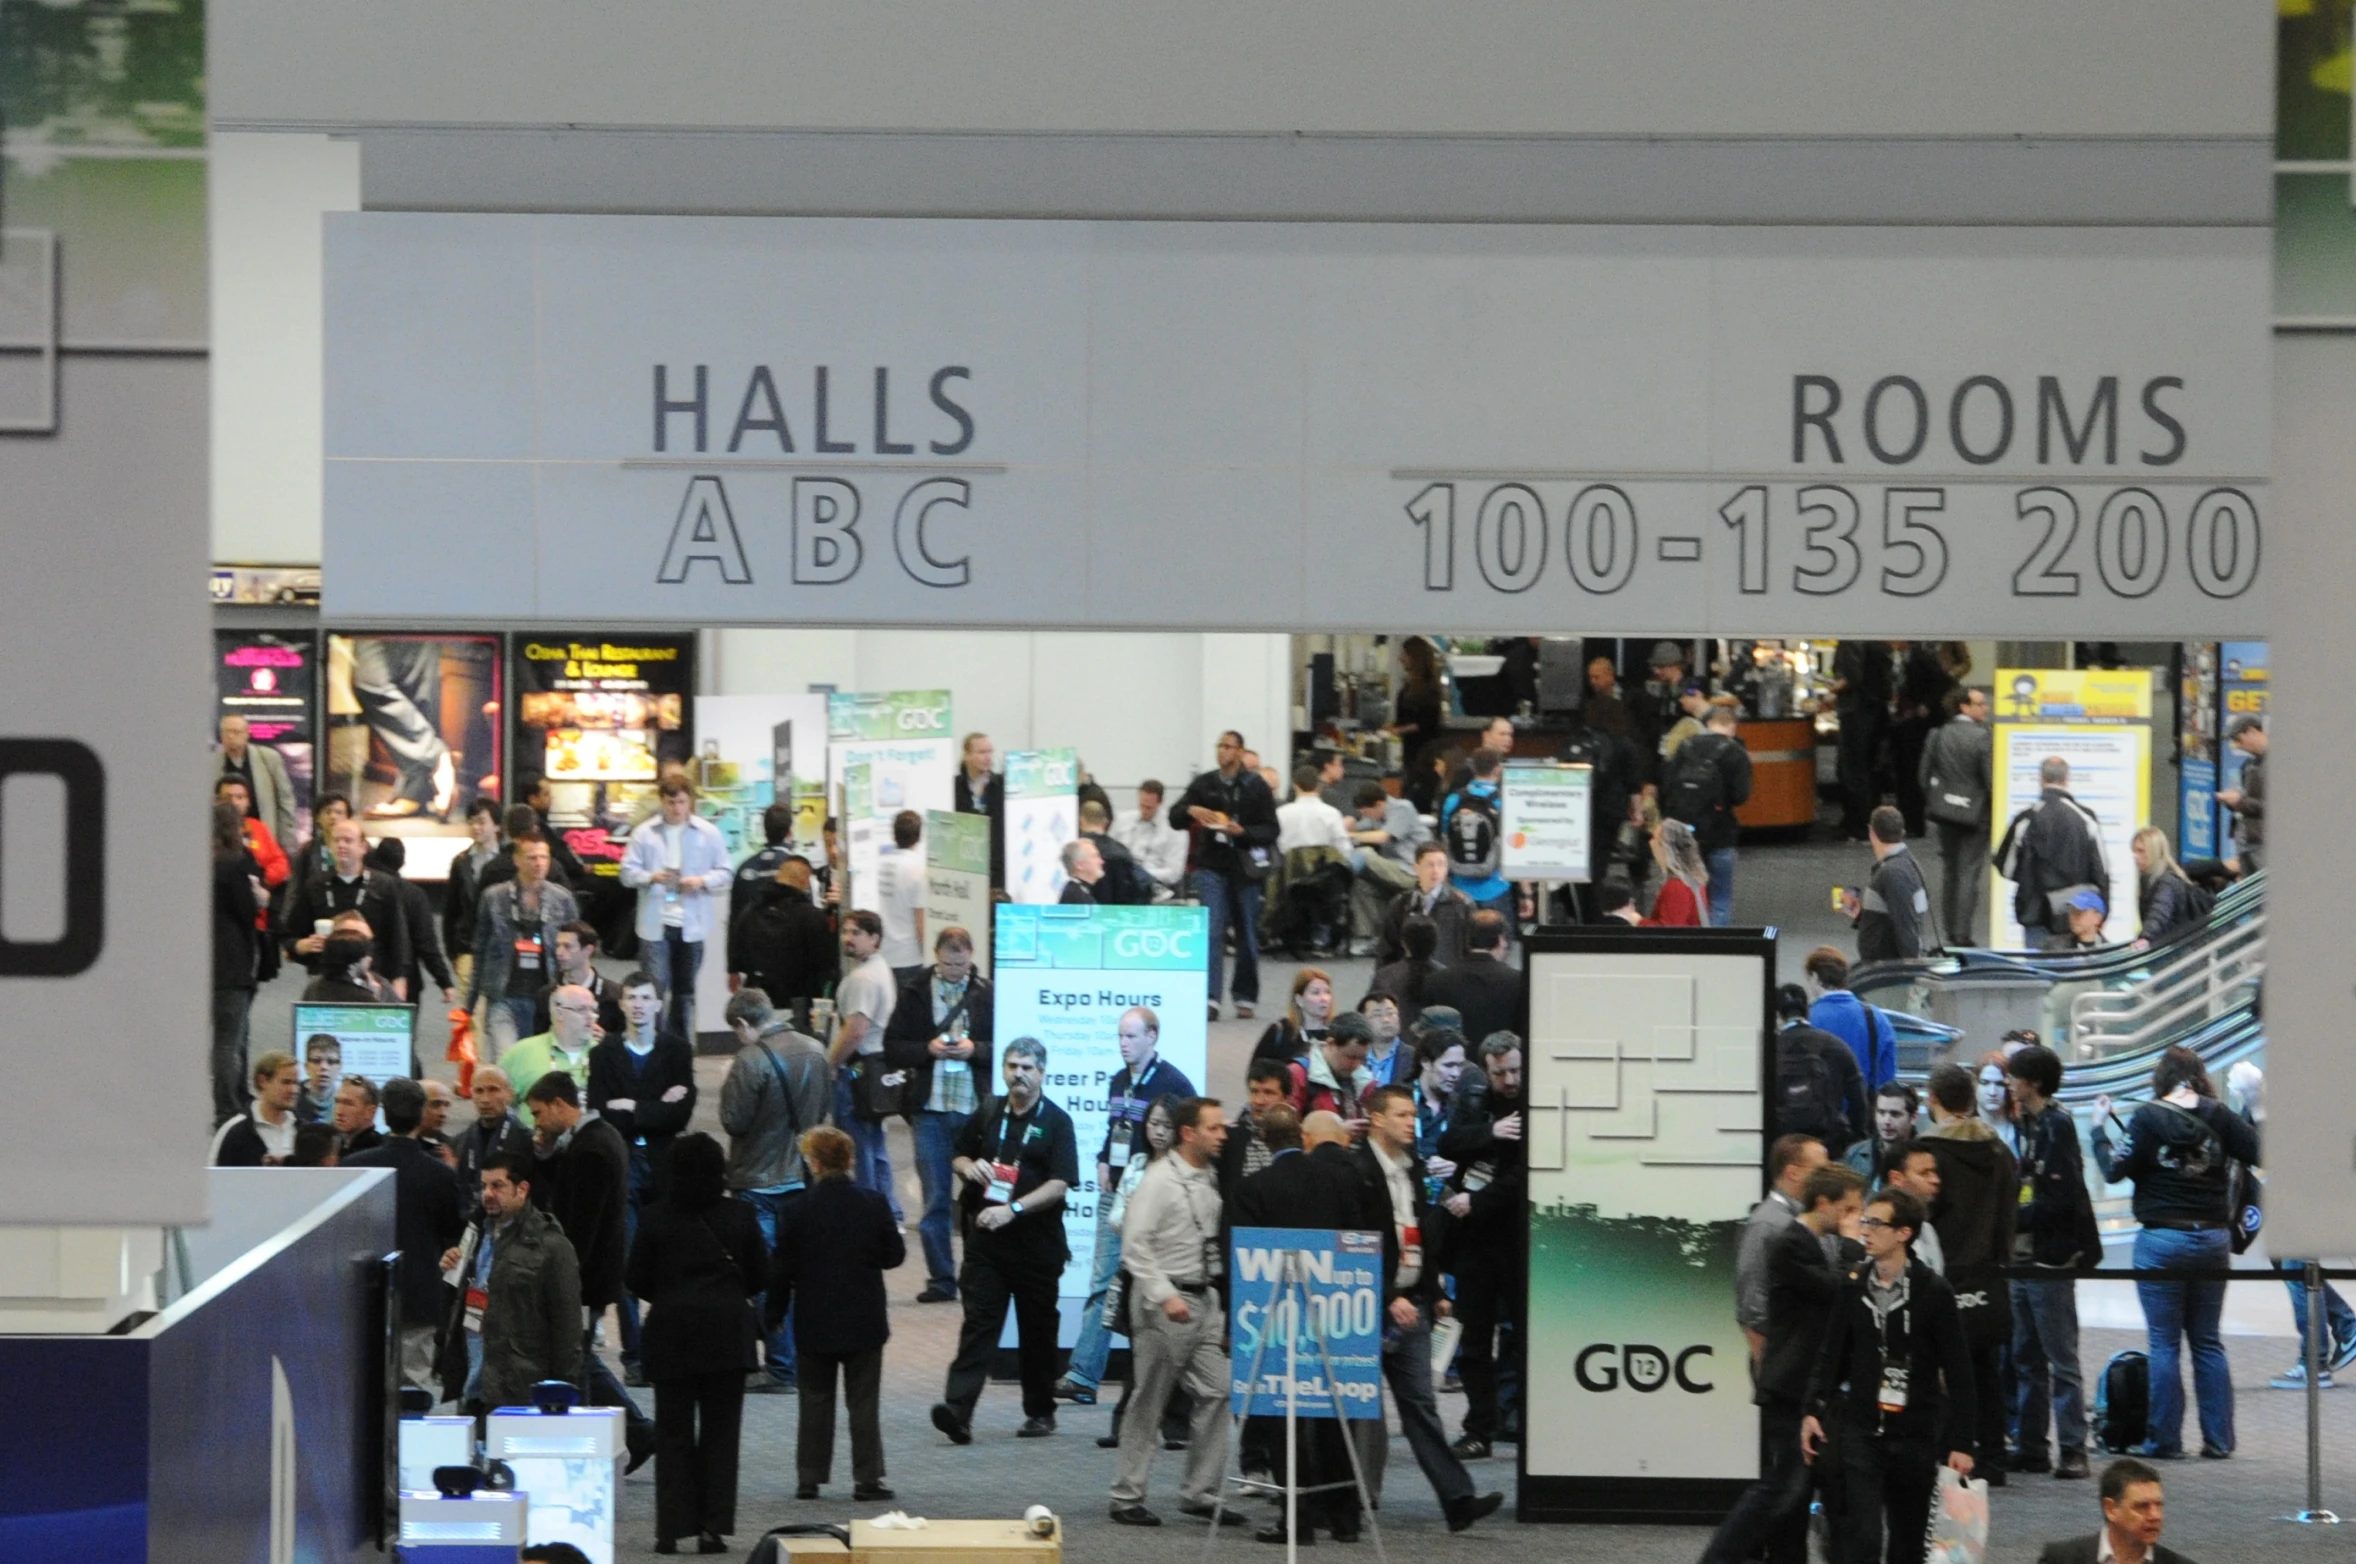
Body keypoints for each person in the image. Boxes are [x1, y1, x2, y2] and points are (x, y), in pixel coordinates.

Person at [1341, 1084, 1505, 1532]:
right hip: (1369, 1305)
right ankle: (1351, 1500)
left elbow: (1419, 1234)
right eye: (1400, 1115)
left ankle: (1458, 1500)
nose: (1410, 1122)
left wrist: (1434, 1289)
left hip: (1412, 1303)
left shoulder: (1411, 1169)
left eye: (1413, 1115)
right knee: (1360, 1408)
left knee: (1421, 1405)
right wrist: (1387, 1296)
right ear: (1376, 1119)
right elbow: (1354, 1243)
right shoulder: (1357, 1170)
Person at [2091, 1047, 2260, 1459]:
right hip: (2211, 1239)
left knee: (2164, 1343)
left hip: (2162, 1239)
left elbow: (2114, 1169)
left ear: (2162, 1077)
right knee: (2207, 1341)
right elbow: (2258, 1151)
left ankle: (2164, 1440)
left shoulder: (2148, 1117)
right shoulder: (2218, 1114)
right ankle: (2218, 1441)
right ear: (2197, 1075)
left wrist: (2098, 1128)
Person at [1801, 1186, 1977, 1564]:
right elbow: (1832, 1352)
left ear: (1904, 1233)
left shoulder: (1933, 1291)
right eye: (1865, 1221)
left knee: (1909, 1539)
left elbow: (1959, 1369)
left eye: (1876, 1224)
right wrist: (1813, 1408)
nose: (1865, 1230)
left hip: (1915, 1432)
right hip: (1861, 1429)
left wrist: (1961, 1441)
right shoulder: (1852, 1284)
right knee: (1861, 1537)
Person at [1701, 1163, 1866, 1564]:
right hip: (1791, 1385)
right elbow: (1842, 1293)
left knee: (1794, 1494)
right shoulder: (1789, 1242)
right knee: (1780, 1488)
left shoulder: (1809, 1242)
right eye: (1848, 1210)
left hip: (1808, 1385)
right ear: (1823, 1202)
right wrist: (1852, 1245)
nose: (1856, 1220)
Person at [1232, 1106, 1368, 1544]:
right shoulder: (1340, 1180)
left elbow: (1243, 1262)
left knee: (1282, 1418)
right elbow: (1358, 1240)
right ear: (1302, 1137)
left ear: (1262, 1141)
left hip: (1276, 1319)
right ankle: (1346, 1519)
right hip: (1336, 1315)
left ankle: (1297, 1521)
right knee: (1333, 1416)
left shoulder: (1254, 1188)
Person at [626, 1132, 767, 1553]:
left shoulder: (654, 1217)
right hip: (727, 1333)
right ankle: (712, 1528)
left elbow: (635, 1278)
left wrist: (672, 1295)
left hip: (671, 1333)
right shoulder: (740, 1215)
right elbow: (762, 1275)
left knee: (672, 1432)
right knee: (721, 1435)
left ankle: (669, 1529)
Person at [932, 1039, 1078, 1444]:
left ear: (1043, 1072)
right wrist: (969, 1166)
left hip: (1036, 1245)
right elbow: (958, 1155)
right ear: (1002, 1069)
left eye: (1029, 1067)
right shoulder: (989, 1111)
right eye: (1013, 1066)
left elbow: (1059, 1184)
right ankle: (958, 1411)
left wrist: (1012, 1210)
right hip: (987, 1244)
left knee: (1037, 1332)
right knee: (979, 1324)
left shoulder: (1057, 1122)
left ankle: (1040, 1411)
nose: (1020, 1074)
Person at [1107, 1097, 1241, 1529]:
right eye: (1215, 1128)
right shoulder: (1159, 1180)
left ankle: (1200, 1493)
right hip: (1163, 1307)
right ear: (1189, 1133)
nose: (1224, 1135)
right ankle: (1127, 1495)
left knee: (1220, 1390)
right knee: (1149, 1400)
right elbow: (1134, 1244)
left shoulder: (1210, 1177)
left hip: (1203, 1302)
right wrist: (1165, 1294)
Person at [1061, 1006, 1198, 1405]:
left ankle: (1169, 1388)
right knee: (1102, 1283)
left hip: (1154, 1201)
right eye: (1120, 1036)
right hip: (1116, 1196)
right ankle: (1083, 1374)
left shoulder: (1174, 1083)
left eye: (1132, 1036)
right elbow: (1115, 1130)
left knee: (1155, 1288)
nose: (1124, 1043)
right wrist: (1104, 1158)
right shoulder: (1119, 1080)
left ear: (1152, 1037)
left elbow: (1183, 1142)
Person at [522, 1070, 655, 1463]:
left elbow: (580, 1226)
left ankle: (622, 1434)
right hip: (595, 1274)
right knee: (579, 1356)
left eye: (538, 1112)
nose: (537, 1122)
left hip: (584, 1278)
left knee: (573, 1359)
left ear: (561, 1105)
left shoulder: (590, 1150)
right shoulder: (601, 1137)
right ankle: (638, 1430)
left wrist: (562, 1279)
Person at [771, 1125, 906, 1504]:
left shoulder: (795, 1210)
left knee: (814, 1398)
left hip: (814, 1318)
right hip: (864, 1318)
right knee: (863, 1402)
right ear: (849, 1160)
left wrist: (774, 1313)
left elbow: (782, 1269)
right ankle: (867, 1479)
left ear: (813, 1164)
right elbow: (894, 1256)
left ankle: (809, 1478)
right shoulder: (873, 1202)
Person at [718, 986, 832, 1395]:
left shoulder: (749, 1061)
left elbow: (734, 1120)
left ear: (744, 1023)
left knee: (766, 1277)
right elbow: (821, 1111)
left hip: (758, 1179)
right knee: (802, 1272)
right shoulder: (815, 1049)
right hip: (803, 1173)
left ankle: (781, 1366)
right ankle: (805, 1358)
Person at [590, 970, 699, 1384]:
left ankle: (665, 1346)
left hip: (664, 1166)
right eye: (631, 997)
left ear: (658, 1003)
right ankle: (635, 1355)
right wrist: (655, 1105)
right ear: (622, 1004)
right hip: (622, 1166)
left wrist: (632, 1106)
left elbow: (682, 1112)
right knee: (627, 1261)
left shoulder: (676, 1050)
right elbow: (602, 1109)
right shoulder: (604, 1055)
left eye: (645, 997)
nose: (637, 1004)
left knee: (669, 1260)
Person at [1918, 1062, 2019, 1483]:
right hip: (1989, 1272)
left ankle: (1949, 1453)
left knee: (1942, 1369)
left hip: (1944, 1273)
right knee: (1986, 1370)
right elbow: (2011, 1209)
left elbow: (1925, 1215)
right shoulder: (1999, 1150)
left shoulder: (1928, 1156)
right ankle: (1992, 1457)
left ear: (1933, 1100)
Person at [883, 926, 994, 1304]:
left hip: (975, 1111)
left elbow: (1007, 1045)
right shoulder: (914, 992)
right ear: (935, 955)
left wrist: (975, 1050)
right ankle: (941, 1279)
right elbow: (893, 1047)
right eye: (947, 963)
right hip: (929, 1111)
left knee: (984, 1199)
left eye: (961, 964)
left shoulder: (987, 993)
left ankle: (980, 1275)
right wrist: (926, 1049)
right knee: (935, 1200)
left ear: (971, 955)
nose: (954, 970)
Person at [437, 1151, 584, 1420]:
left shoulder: (550, 1247)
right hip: (475, 1384)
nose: (488, 1194)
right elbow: (462, 1303)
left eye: (498, 1185)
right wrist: (450, 1270)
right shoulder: (476, 1235)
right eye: (483, 1186)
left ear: (522, 1189)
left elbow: (568, 1329)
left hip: (521, 1390)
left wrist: (560, 1395)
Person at [2005, 1043, 2096, 1479]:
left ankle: (2074, 1449)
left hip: (2049, 1259)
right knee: (2025, 1358)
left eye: (2014, 1076)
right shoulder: (2025, 1123)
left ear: (2033, 1082)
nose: (2008, 1083)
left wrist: (2015, 1217)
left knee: (2061, 1359)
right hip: (2022, 1259)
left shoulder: (2057, 1126)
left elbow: (2060, 1197)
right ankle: (2031, 1445)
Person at [347, 1078, 465, 1389]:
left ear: (384, 1114)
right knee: (417, 1388)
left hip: (365, 1296)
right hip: (420, 1296)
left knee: (365, 1388)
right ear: (421, 1113)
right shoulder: (440, 1174)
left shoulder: (355, 1168)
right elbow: (455, 1232)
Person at [1441, 1032, 1526, 1459]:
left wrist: (1476, 1201)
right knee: (1473, 1340)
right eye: (1500, 1073)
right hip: (1475, 1240)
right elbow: (1447, 1143)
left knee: (1521, 1337)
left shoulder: (1536, 1103)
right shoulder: (1474, 1100)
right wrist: (1491, 1131)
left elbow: (1524, 1178)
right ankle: (1479, 1427)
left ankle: (1516, 1415)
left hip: (1519, 1239)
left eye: (1515, 1070)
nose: (1509, 1080)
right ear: (1486, 1070)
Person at [1168, 730, 1280, 1022]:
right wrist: (1191, 809)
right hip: (1211, 866)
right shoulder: (1205, 783)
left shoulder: (1256, 786)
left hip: (1245, 869)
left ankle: (1245, 995)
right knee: (1213, 932)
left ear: (1241, 752)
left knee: (1246, 934)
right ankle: (1210, 997)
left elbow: (1271, 830)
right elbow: (1174, 816)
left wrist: (1243, 832)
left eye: (1229, 747)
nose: (1222, 752)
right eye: (1219, 746)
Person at [621, 774, 732, 1040]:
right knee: (654, 989)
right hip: (655, 923)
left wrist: (701, 881)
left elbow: (726, 871)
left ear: (690, 801)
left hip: (692, 923)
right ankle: (652, 1044)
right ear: (662, 802)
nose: (677, 808)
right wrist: (651, 877)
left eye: (681, 802)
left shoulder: (707, 832)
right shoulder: (645, 832)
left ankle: (678, 1048)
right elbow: (626, 873)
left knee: (685, 992)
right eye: (671, 802)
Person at [469, 837, 582, 1052]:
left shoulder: (563, 899)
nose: (539, 863)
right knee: (506, 1059)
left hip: (545, 996)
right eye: (532, 858)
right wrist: (470, 1003)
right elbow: (480, 949)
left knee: (539, 1062)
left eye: (544, 857)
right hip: (502, 995)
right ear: (517, 860)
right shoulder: (494, 897)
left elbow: (575, 950)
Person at [827, 909, 903, 1220]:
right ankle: (887, 1211)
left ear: (874, 938)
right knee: (874, 1144)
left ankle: (866, 1215)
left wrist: (832, 1063)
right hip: (873, 1068)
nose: (848, 938)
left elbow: (856, 1029)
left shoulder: (864, 978)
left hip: (857, 1070)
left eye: (856, 933)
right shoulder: (879, 969)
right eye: (845, 931)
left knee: (857, 1148)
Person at [281, 816, 412, 997]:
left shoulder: (384, 886)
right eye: (336, 840)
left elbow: (398, 939)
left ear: (363, 847)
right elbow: (289, 936)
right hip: (325, 979)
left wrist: (399, 981)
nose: (341, 845)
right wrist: (301, 945)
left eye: (348, 840)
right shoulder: (315, 886)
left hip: (373, 977)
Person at [1996, 756, 2110, 951]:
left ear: (2041, 780)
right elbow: (2102, 871)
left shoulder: (2026, 819)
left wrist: (2030, 879)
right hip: (2076, 915)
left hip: (2036, 913)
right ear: (2067, 780)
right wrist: (2101, 912)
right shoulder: (2086, 818)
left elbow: (2006, 867)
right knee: (2075, 973)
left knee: (2040, 972)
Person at [1737, 1135, 1830, 1365]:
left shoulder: (1812, 1218)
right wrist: (1767, 1366)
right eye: (1822, 1170)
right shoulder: (1768, 1224)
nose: (1829, 1178)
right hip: (1782, 1361)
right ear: (1793, 1172)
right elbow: (1753, 1304)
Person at [1660, 700, 1752, 925]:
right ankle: (1716, 949)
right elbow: (1741, 796)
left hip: (1684, 832)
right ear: (1733, 727)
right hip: (1720, 832)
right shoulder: (1735, 752)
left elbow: (1667, 787)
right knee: (1719, 898)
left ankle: (1688, 946)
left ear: (1709, 723)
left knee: (1686, 892)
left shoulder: (1686, 746)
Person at [211, 800, 270, 1127]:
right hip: (232, 963)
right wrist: (258, 897)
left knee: (228, 1036)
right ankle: (227, 1108)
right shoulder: (233, 864)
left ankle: (235, 1099)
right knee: (229, 1040)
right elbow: (247, 911)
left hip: (202, 962)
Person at [728, 853, 835, 1032]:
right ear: (805, 882)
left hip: (759, 1000)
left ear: (778, 876)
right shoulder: (812, 916)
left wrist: (734, 971)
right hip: (800, 1004)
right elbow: (824, 965)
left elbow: (737, 947)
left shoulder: (750, 911)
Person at [1920, 686, 1994, 945]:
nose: (1986, 708)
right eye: (1980, 704)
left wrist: (1938, 800)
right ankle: (1962, 933)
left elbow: (1923, 776)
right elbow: (1991, 781)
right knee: (1968, 873)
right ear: (1964, 707)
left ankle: (1949, 929)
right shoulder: (1985, 738)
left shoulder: (1937, 735)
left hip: (1946, 813)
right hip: (1978, 817)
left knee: (1951, 871)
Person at [2035, 1458, 2201, 1564]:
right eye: (2142, 1506)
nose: (2155, 1516)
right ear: (2111, 1509)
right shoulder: (2061, 1559)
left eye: (2158, 1505)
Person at [1773, 983, 1871, 1151]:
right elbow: (1859, 1102)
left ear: (1778, 1015)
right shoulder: (1836, 1046)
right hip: (1827, 1146)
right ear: (1808, 1010)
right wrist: (1854, 1139)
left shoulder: (1770, 1049)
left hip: (1782, 1147)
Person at [497, 981, 597, 1129]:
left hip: (589, 1146)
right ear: (559, 1013)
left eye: (593, 1010)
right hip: (531, 1146)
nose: (591, 1017)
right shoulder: (522, 1052)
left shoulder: (604, 1054)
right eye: (582, 1010)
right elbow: (497, 1104)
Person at [1344, 780, 1428, 954]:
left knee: (1365, 853)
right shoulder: (1376, 816)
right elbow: (1359, 829)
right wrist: (1348, 822)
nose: (1365, 816)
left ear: (1379, 804)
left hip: (1413, 871)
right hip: (1395, 870)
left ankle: (1340, 874)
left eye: (1367, 812)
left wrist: (1350, 835)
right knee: (1362, 885)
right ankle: (1371, 938)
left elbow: (1382, 837)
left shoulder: (1403, 808)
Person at [1850, 805, 1937, 962]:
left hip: (1886, 969)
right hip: (1885, 965)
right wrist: (1862, 915)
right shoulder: (1903, 864)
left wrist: (1911, 970)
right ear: (1901, 832)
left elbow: (1906, 926)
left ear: (1872, 833)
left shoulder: (1893, 873)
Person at [1424, 910, 1523, 1049]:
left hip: (1455, 1065)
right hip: (1501, 1063)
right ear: (1501, 940)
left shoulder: (1436, 981)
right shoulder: (1518, 981)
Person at [1438, 746, 1512, 927]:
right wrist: (1526, 892)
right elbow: (1512, 844)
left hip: (1460, 885)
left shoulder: (1453, 799)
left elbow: (1444, 838)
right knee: (1499, 945)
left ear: (1473, 768)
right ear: (1497, 769)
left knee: (1461, 944)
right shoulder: (1503, 799)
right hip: (1496, 886)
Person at [1805, 946, 1897, 1090]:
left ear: (1815, 977)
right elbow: (1887, 1079)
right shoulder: (1877, 1018)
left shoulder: (1807, 1019)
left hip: (1820, 1110)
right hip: (1865, 1109)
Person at [1831, 638, 1894, 840]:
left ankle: (1858, 826)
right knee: (1868, 770)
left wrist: (1831, 691)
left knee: (1851, 770)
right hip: (1875, 710)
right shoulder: (1876, 641)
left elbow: (1852, 677)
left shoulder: (1850, 641)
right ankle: (1870, 823)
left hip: (1855, 709)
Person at [446, 797, 505, 1004]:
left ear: (496, 825)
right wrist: (452, 951)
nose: (475, 827)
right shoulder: (461, 862)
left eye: (481, 821)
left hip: (501, 948)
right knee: (473, 1010)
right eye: (471, 822)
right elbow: (451, 910)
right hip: (468, 946)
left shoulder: (508, 862)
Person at [1379, 840, 1474, 968]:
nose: (1436, 871)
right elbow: (1388, 949)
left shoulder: (1462, 904)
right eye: (1430, 865)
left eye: (1441, 865)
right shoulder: (1401, 903)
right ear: (1416, 867)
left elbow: (1471, 948)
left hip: (1448, 977)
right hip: (1410, 976)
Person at [457, 1066, 534, 1216]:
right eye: (479, 1091)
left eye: (493, 1090)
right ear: (471, 1094)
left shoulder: (525, 1139)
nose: (485, 1099)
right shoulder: (462, 1140)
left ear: (509, 1095)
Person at [531, 920, 627, 1041]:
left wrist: (607, 1041)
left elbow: (628, 1043)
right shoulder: (545, 995)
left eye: (567, 946)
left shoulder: (614, 995)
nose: (559, 952)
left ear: (588, 950)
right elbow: (538, 1041)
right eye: (558, 946)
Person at [216, 713, 299, 848]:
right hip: (225, 841)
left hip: (263, 837)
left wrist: (286, 841)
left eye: (236, 732)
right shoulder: (211, 764)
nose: (231, 737)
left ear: (247, 734)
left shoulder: (269, 759)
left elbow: (285, 800)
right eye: (226, 732)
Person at [1218, 1058, 1293, 1204]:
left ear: (1286, 1099)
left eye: (1268, 1093)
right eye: (1254, 1092)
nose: (1259, 1100)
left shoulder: (1298, 1140)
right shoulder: (1229, 1138)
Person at [211, 1051, 302, 1166]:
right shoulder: (234, 1131)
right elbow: (214, 1178)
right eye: (286, 1082)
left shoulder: (302, 1131)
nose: (294, 1090)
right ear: (262, 1081)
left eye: (296, 1083)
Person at [1287, 1010, 1375, 1125]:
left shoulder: (1364, 1081)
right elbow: (1286, 1129)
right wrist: (1336, 1131)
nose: (1356, 1064)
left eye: (1362, 1058)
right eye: (1351, 1057)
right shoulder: (1298, 1074)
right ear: (1331, 1043)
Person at [1112, 779, 1189, 900]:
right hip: (1124, 881)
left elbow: (1174, 873)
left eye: (1149, 807)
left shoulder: (1175, 829)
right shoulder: (1122, 821)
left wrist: (1143, 874)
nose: (1144, 811)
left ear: (1160, 803)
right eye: (1141, 805)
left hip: (1157, 880)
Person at [875, 810, 927, 977]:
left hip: (883, 953)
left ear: (893, 834)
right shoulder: (918, 868)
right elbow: (921, 922)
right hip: (909, 957)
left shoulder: (881, 865)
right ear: (919, 836)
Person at [1367, 914, 1441, 1030]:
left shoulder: (1385, 977)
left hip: (1397, 1042)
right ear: (1435, 943)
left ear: (1403, 942)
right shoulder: (1447, 977)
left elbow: (1371, 1014)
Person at [1250, 966, 1335, 1067]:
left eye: (1327, 992)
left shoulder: (1338, 1032)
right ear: (1299, 1000)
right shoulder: (1280, 1030)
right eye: (1315, 993)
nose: (1324, 998)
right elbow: (1256, 1073)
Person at [953, 731, 1006, 890]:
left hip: (997, 870)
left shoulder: (1003, 786)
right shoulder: (954, 787)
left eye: (990, 751)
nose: (988, 757)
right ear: (967, 755)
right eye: (982, 752)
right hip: (966, 868)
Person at [2133, 827, 2203, 946]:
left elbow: (2159, 911)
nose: (2135, 856)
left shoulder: (2166, 882)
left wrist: (2145, 937)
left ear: (2153, 852)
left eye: (2141, 851)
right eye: (2134, 851)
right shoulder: (2149, 879)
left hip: (2177, 950)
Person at [2215, 714, 2266, 874]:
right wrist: (2233, 802)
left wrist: (2239, 801)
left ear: (2251, 732)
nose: (2237, 746)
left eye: (2238, 739)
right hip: (2247, 842)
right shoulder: (2250, 764)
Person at [1847, 1081, 1920, 1184]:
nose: (1886, 1121)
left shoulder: (1925, 1157)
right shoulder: (1854, 1155)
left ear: (1913, 1117)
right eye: (1881, 1113)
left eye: (1895, 1114)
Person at [1643, 817, 1708, 927]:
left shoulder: (1676, 886)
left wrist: (1636, 920)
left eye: (1655, 838)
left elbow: (1669, 931)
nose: (1651, 843)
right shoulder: (1692, 880)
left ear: (1665, 847)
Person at [732, 802, 799, 895]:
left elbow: (736, 908)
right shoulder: (799, 870)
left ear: (765, 830)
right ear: (790, 832)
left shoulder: (744, 868)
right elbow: (809, 908)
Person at [1358, 991, 1412, 1087]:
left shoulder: (1413, 1057)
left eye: (1390, 1013)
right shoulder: (1355, 1057)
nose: (1386, 1020)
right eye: (1377, 1015)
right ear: (1363, 1022)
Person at [334, 1075, 386, 1158]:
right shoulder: (331, 1149)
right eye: (337, 1102)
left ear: (370, 1112)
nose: (339, 1111)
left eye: (348, 1104)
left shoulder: (378, 1153)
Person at [1058, 837, 1104, 903]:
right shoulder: (1076, 898)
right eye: (1094, 856)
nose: (1101, 861)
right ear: (1079, 865)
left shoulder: (1076, 892)